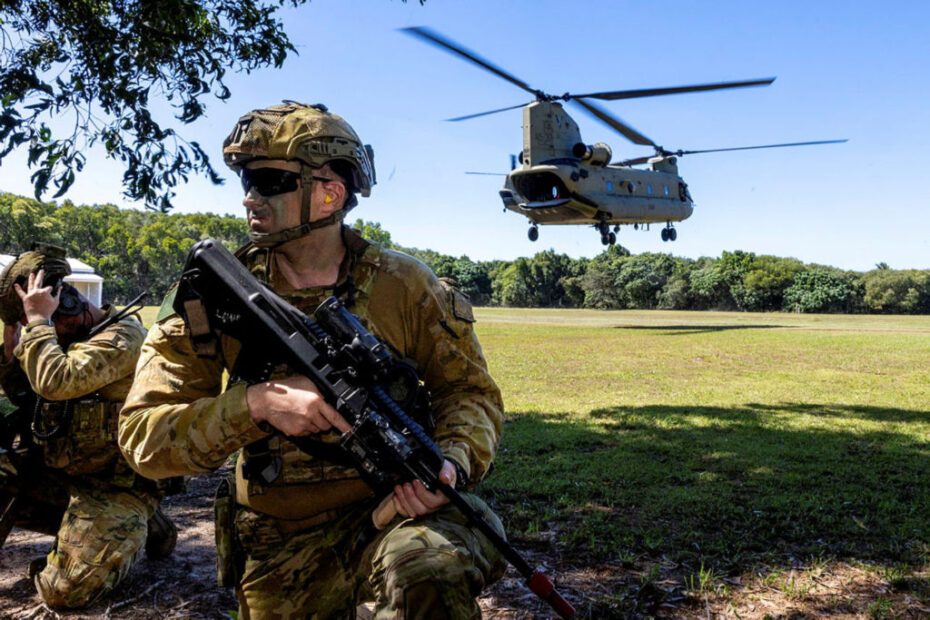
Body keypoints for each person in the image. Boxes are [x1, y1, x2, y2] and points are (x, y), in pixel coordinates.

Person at [118, 101, 507, 618]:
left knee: (429, 570)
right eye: (245, 181)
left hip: (398, 515)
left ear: (329, 194)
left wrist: (451, 464)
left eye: (269, 180)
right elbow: (144, 439)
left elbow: (470, 395)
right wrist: (256, 405)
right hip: (278, 538)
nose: (249, 198)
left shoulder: (406, 287)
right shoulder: (211, 295)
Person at [0, 244, 177, 609]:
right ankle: (103, 530)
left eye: (49, 321)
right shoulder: (60, 338)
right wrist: (10, 343)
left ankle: (147, 526)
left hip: (115, 487)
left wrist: (36, 324)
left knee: (63, 592)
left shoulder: (122, 339)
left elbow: (56, 382)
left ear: (66, 304)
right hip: (65, 477)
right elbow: (23, 392)